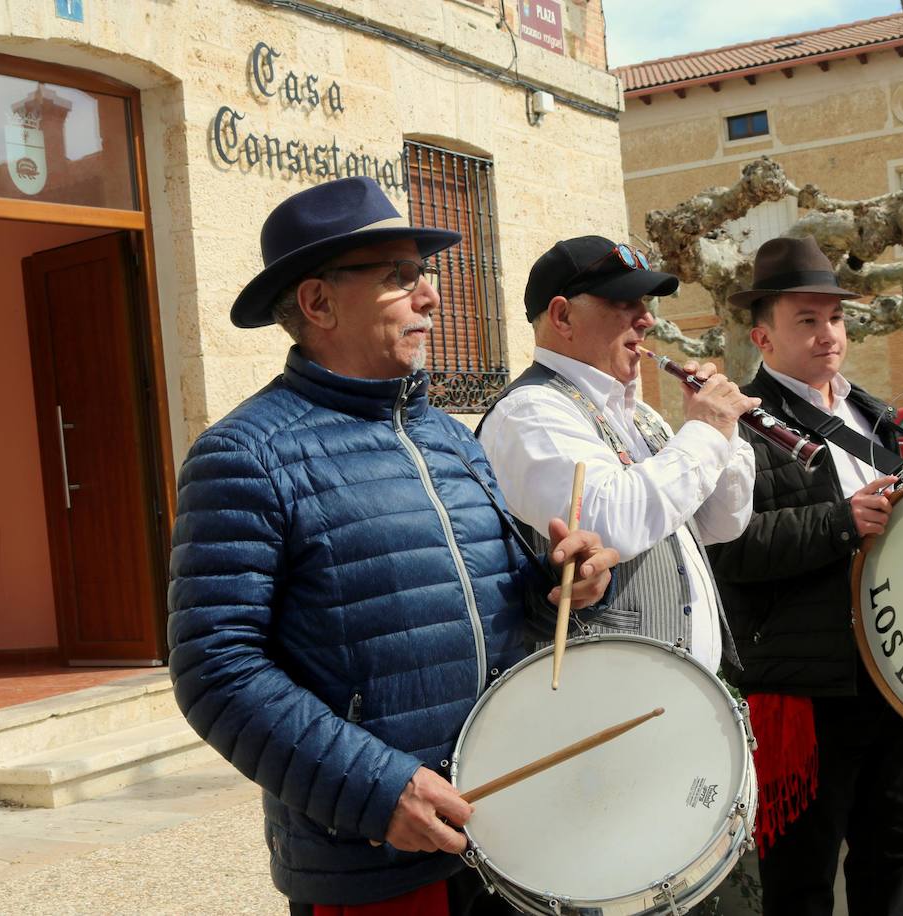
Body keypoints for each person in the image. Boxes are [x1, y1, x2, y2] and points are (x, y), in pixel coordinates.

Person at [166, 178, 618, 915]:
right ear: (317, 304)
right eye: (398, 278)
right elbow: (215, 668)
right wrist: (378, 792)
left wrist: (561, 584)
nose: (431, 296)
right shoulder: (246, 455)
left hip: (510, 829)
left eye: (423, 273)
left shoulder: (449, 438)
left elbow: (482, 601)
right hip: (376, 857)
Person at [708, 237, 903, 916]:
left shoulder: (870, 414)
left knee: (894, 857)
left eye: (833, 318)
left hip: (892, 676)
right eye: (805, 319)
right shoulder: (738, 423)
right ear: (762, 336)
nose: (827, 333)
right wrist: (841, 521)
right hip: (807, 692)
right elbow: (732, 552)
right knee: (802, 881)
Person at [476, 236, 756, 671]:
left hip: (679, 693)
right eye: (624, 301)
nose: (646, 320)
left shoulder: (640, 416)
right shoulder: (530, 410)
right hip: (603, 699)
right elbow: (611, 523)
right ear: (562, 316)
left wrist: (727, 434)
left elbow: (722, 522)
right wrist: (705, 430)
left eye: (645, 303)